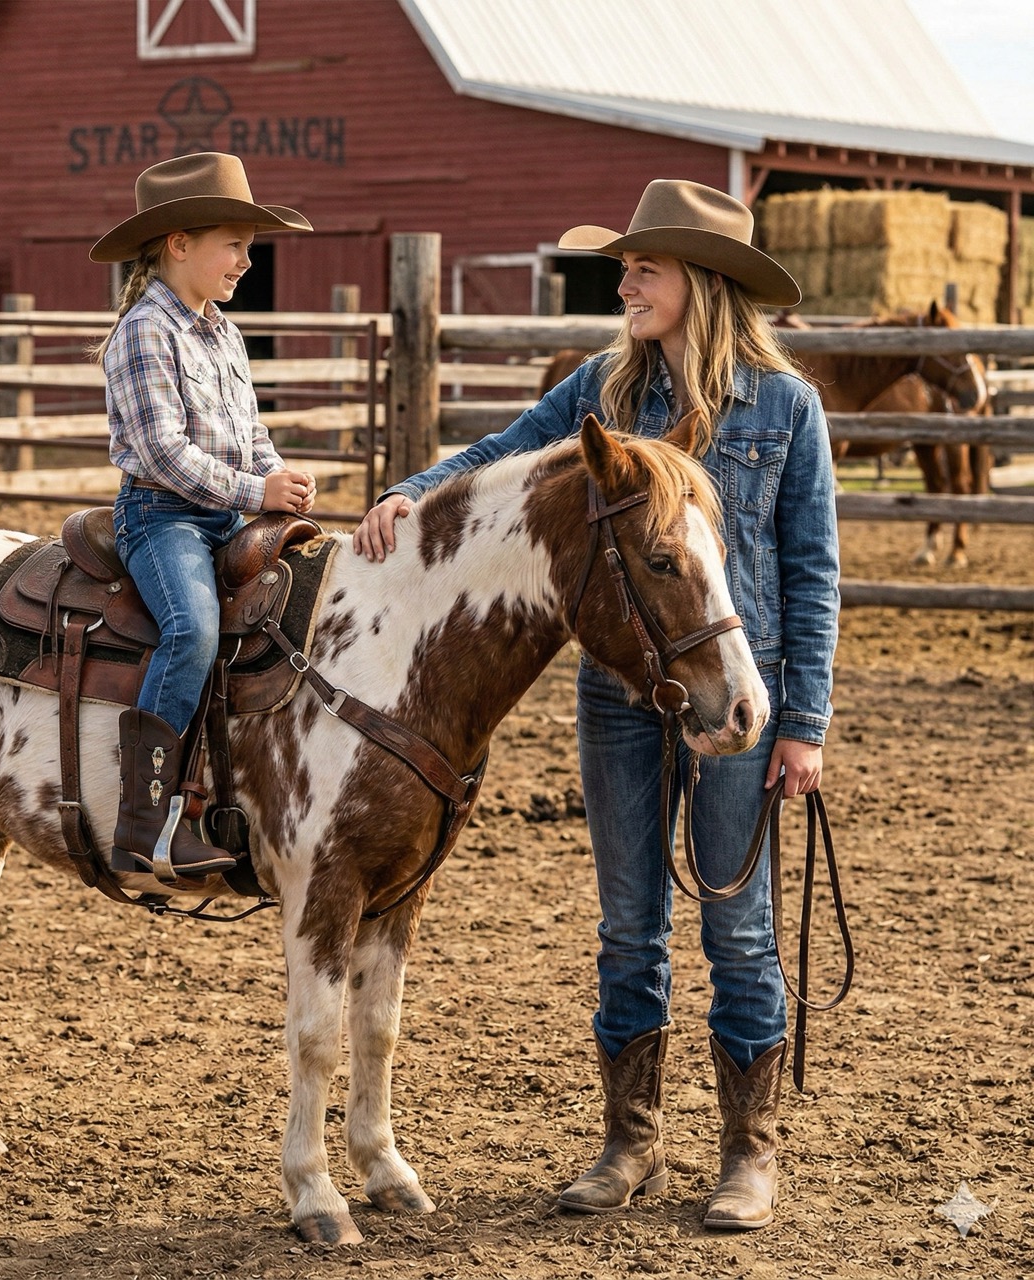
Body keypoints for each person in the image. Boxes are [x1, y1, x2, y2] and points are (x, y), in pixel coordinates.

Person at [354, 180, 840, 1231]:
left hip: (731, 695)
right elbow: (499, 454)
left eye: (643, 269)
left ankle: (747, 1154)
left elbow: (811, 569)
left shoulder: (784, 406)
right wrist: (412, 489)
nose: (624, 285)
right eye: (624, 269)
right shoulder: (601, 388)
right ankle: (630, 1142)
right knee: (628, 927)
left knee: (737, 925)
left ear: (699, 281)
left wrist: (804, 722)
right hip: (623, 694)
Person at [89, 152, 317, 879]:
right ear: (179, 244)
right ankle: (145, 824)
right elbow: (162, 452)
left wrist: (278, 475)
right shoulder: (144, 331)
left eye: (249, 246)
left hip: (226, 512)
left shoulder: (223, 333)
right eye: (234, 244)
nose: (247, 261)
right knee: (192, 630)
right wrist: (256, 494)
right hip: (164, 517)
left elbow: (250, 431)